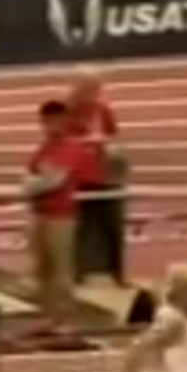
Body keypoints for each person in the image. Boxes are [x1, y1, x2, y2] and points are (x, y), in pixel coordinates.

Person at [22, 100, 84, 335]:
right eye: (46, 121)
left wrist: (34, 184)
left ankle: (65, 320)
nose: (50, 125)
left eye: (56, 120)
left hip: (61, 217)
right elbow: (29, 176)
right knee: (43, 271)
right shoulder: (44, 148)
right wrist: (38, 182)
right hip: (40, 214)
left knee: (61, 270)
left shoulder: (70, 147)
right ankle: (49, 318)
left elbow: (54, 181)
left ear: (64, 120)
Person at [67, 67, 127, 287]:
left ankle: (118, 274)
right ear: (79, 88)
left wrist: (104, 143)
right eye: (90, 88)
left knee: (113, 226)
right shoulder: (66, 110)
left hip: (105, 176)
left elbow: (112, 135)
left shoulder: (102, 109)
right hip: (79, 178)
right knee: (80, 228)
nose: (94, 93)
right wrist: (87, 141)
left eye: (97, 88)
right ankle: (77, 274)